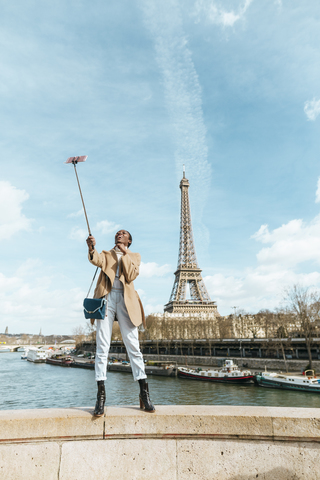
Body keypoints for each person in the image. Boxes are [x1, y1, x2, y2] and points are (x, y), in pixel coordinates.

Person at [86, 229, 155, 416]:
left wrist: (125, 253)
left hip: (126, 300)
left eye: (123, 233)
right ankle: (100, 395)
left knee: (133, 346)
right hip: (106, 298)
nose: (119, 234)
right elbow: (95, 260)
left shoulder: (134, 256)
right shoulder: (106, 254)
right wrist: (92, 246)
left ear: (129, 240)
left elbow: (131, 275)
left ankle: (144, 391)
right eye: (117, 232)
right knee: (102, 346)